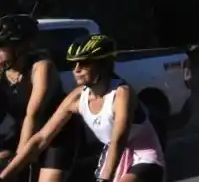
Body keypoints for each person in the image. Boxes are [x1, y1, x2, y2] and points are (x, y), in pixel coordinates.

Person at [0, 35, 164, 182]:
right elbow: (41, 139)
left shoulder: (121, 94)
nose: (76, 69)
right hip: (115, 157)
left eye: (84, 63)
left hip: (144, 157)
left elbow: (118, 140)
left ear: (103, 64)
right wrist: (6, 174)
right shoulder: (77, 97)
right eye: (73, 64)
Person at [0, 15, 77, 182]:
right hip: (20, 131)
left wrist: (17, 165)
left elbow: (33, 116)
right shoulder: (3, 71)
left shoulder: (41, 68)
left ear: (21, 46)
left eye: (1, 47)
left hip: (55, 133)